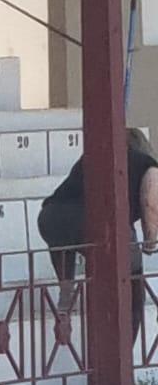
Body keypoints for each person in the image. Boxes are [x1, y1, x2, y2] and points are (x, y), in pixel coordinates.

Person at [36, 126, 158, 342]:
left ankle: (66, 292)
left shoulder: (93, 156)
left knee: (71, 243)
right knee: (131, 276)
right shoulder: (145, 163)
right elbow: (150, 199)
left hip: (49, 217)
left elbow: (71, 199)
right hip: (98, 224)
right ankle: (124, 346)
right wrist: (150, 240)